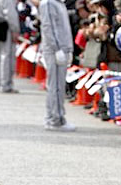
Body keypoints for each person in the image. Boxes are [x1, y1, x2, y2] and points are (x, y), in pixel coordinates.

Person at [37, 0, 77, 131]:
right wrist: (57, 48)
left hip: (62, 48)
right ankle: (56, 119)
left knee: (57, 85)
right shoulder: (48, 3)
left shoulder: (58, 3)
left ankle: (54, 117)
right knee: (56, 86)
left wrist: (68, 49)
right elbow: (49, 27)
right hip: (55, 50)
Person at [0, 0, 21, 92]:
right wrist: (15, 29)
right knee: (6, 56)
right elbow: (11, 14)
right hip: (6, 27)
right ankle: (5, 84)